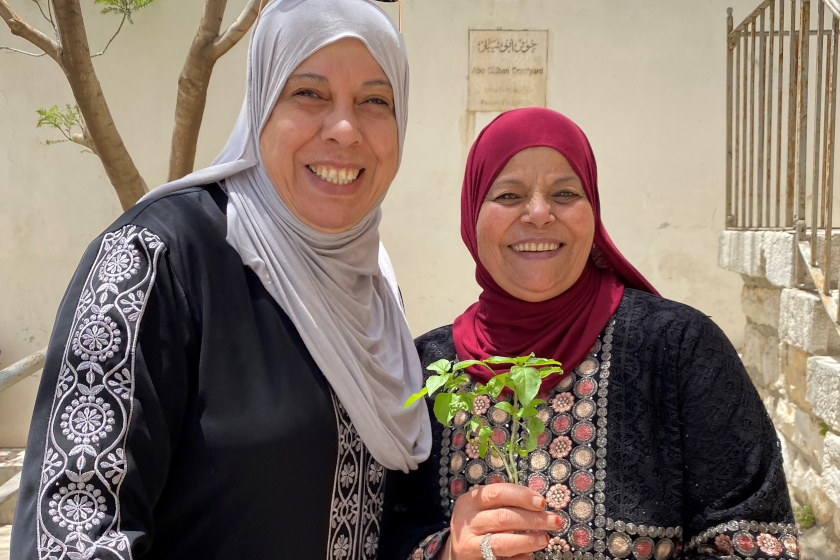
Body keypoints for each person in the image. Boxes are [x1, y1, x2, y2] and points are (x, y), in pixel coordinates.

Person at [10, 1, 431, 558]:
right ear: (261, 103)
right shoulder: (152, 258)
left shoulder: (372, 284)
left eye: (375, 101)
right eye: (309, 93)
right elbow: (71, 526)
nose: (346, 130)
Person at [380, 108, 798, 560]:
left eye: (564, 193)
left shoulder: (679, 351)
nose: (539, 214)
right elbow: (377, 534)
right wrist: (445, 554)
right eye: (508, 195)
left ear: (592, 213)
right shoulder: (426, 370)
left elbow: (756, 543)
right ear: (471, 215)